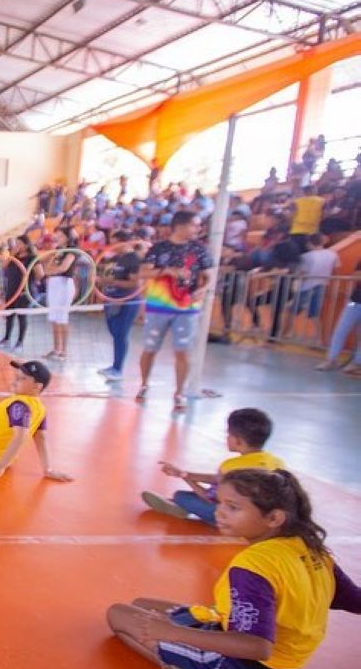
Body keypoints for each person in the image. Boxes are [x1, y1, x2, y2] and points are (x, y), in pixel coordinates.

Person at [106, 469, 360, 669]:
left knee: (117, 615)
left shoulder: (254, 565)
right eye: (220, 503)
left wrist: (173, 632)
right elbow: (355, 600)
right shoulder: (313, 550)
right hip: (282, 665)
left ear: (274, 518)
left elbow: (257, 646)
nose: (219, 512)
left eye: (233, 507)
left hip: (243, 666)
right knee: (141, 605)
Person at [142, 408, 284, 526]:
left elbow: (209, 497)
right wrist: (185, 473)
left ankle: (180, 505)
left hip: (239, 521)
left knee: (181, 496)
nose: (226, 437)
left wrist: (184, 477)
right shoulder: (276, 462)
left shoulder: (231, 466)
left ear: (239, 441)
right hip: (267, 520)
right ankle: (178, 506)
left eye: (229, 434)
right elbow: (218, 479)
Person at [137, 211, 211, 412]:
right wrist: (166, 271)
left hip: (187, 308)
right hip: (159, 306)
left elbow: (207, 276)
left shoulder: (199, 249)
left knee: (183, 351)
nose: (198, 229)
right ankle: (144, 384)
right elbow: (143, 272)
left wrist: (202, 290)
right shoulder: (159, 248)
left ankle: (179, 393)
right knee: (150, 348)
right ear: (180, 226)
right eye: (195, 225)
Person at [0, 360, 73, 483]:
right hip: (2, 459)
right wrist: (48, 469)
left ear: (37, 386)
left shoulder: (18, 405)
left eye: (22, 378)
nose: (15, 380)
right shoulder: (40, 409)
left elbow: (20, 436)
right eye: (16, 376)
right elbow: (41, 437)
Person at [98, 231, 143, 381]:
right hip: (112, 299)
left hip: (126, 301)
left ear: (124, 242)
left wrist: (112, 282)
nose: (112, 246)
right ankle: (114, 365)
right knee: (114, 332)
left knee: (121, 334)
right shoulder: (117, 258)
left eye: (115, 243)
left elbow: (134, 283)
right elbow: (110, 276)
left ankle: (118, 369)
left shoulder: (134, 259)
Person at [317, 259, 361, 375]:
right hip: (354, 301)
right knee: (341, 329)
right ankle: (331, 359)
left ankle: (358, 363)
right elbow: (356, 275)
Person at [292, 233, 338, 342]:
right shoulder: (332, 254)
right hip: (322, 285)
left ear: (309, 243)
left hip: (306, 287)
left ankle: (285, 333)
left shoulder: (306, 257)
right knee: (315, 315)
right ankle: (319, 339)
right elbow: (335, 271)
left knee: (291, 311)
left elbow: (302, 273)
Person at [0, 236, 36, 350]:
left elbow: (40, 274)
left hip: (23, 292)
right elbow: (3, 266)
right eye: (16, 243)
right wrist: (12, 255)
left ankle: (20, 342)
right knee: (9, 315)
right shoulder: (14, 257)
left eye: (19, 243)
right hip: (11, 290)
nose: (17, 245)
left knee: (21, 316)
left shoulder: (32, 258)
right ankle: (6, 338)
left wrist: (28, 283)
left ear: (26, 245)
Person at [43, 232, 77, 361]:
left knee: (62, 317)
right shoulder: (57, 251)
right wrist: (51, 266)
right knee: (54, 318)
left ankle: (64, 351)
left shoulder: (72, 251)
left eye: (61, 235)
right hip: (53, 284)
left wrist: (52, 270)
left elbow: (63, 268)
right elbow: (46, 268)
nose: (57, 237)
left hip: (64, 284)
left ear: (68, 237)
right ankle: (56, 349)